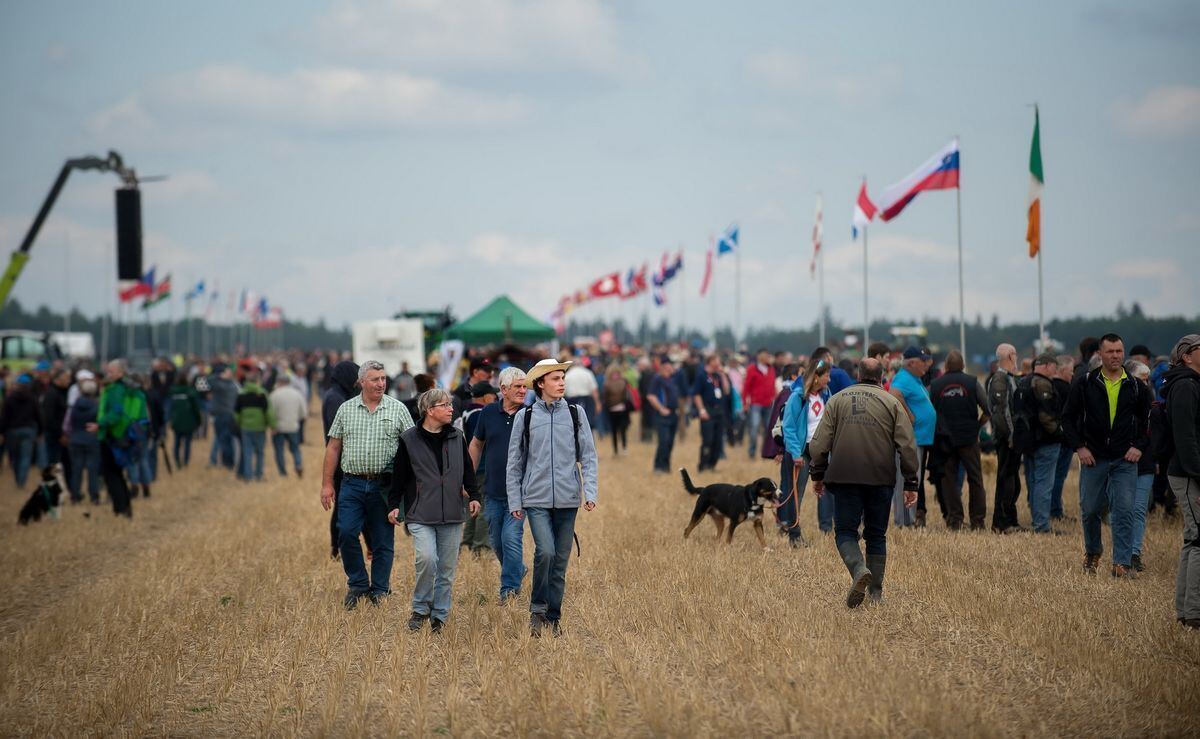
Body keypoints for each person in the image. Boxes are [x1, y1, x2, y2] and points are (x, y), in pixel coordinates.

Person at [808, 359, 919, 608]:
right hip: (881, 478)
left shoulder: (837, 399)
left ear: (858, 374)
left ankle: (858, 569)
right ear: (881, 377)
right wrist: (911, 482)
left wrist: (817, 474)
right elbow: (908, 446)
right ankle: (876, 594)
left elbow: (818, 445)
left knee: (846, 532)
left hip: (845, 477)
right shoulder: (891, 402)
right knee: (876, 535)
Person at [506, 358, 599, 637]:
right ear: (541, 384)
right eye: (556, 379)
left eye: (562, 378)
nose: (562, 383)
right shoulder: (527, 416)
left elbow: (589, 457)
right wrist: (515, 501)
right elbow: (515, 462)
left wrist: (590, 492)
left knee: (560, 561)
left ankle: (553, 617)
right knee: (544, 552)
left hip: (569, 499)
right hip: (535, 499)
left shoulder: (575, 413)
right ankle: (537, 609)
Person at [321, 360, 415, 609]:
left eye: (383, 378)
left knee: (383, 540)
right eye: (375, 379)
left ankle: (380, 590)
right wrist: (327, 484)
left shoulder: (397, 410)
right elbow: (333, 447)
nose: (381, 383)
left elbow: (413, 448)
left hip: (384, 485)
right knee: (347, 532)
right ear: (361, 382)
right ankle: (358, 584)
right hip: (351, 483)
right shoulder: (346, 409)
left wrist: (411, 486)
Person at [387, 388, 481, 632]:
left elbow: (468, 471)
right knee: (427, 559)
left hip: (452, 512)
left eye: (451, 404)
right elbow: (399, 476)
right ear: (430, 410)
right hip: (420, 513)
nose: (452, 409)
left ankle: (439, 615)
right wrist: (394, 505)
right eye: (445, 405)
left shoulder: (457, 436)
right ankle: (420, 609)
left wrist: (474, 495)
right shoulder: (409, 439)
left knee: (447, 569)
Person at [1062, 333, 1150, 577]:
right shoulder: (1085, 382)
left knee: (1124, 509)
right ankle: (1093, 551)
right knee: (1090, 509)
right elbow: (1067, 419)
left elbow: (1148, 422)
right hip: (1094, 457)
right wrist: (1080, 446)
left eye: (1119, 351)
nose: (1115, 356)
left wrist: (1139, 446)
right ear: (1100, 354)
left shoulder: (1135, 386)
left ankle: (1121, 563)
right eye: (1110, 351)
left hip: (1124, 459)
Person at [470, 367, 530, 602]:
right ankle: (517, 570)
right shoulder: (487, 413)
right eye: (518, 387)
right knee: (496, 540)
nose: (523, 391)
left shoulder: (530, 414)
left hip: (520, 492)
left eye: (525, 386)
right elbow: (476, 445)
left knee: (511, 538)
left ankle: (509, 589)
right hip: (492, 490)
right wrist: (468, 476)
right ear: (503, 389)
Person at [1161, 334, 1200, 628]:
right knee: (1198, 541)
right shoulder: (1186, 386)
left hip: (1188, 472)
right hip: (1189, 473)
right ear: (1187, 355)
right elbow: (1186, 438)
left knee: (1193, 540)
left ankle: (1187, 611)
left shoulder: (1188, 383)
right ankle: (1194, 612)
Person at [929, 350, 989, 530]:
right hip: (969, 438)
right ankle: (977, 521)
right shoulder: (972, 382)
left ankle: (954, 520)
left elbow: (929, 411)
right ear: (963, 366)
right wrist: (978, 425)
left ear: (945, 366)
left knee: (949, 480)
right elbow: (987, 408)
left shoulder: (935, 385)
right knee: (975, 479)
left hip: (944, 439)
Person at [779, 359, 832, 546]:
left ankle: (827, 528)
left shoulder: (826, 395)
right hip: (801, 452)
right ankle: (794, 534)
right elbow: (789, 427)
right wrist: (795, 453)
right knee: (796, 494)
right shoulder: (797, 397)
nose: (829, 378)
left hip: (821, 451)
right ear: (816, 377)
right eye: (826, 375)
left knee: (825, 489)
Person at [889, 347, 936, 527]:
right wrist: (909, 414)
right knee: (906, 481)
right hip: (910, 440)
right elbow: (894, 394)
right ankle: (903, 522)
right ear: (911, 362)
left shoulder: (914, 379)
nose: (926, 364)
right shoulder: (903, 378)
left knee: (912, 479)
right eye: (922, 361)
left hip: (919, 439)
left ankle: (909, 519)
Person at [1019, 354, 1064, 534]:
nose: (1056, 370)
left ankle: (1037, 519)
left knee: (1034, 481)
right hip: (1045, 440)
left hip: (1028, 441)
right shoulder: (1042, 384)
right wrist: (1060, 433)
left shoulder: (1023, 381)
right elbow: (1046, 416)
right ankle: (1042, 525)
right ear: (1045, 366)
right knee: (1044, 484)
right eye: (1054, 366)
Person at [322, 359, 361, 560]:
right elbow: (337, 434)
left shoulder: (338, 394)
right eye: (355, 378)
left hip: (343, 460)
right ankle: (336, 548)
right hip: (342, 462)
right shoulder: (336, 399)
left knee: (344, 506)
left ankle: (338, 547)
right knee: (342, 507)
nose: (357, 383)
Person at [987, 343, 1023, 533]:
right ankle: (1001, 523)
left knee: (1012, 481)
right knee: (1006, 480)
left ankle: (1010, 520)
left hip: (1010, 437)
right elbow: (1000, 412)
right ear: (1010, 356)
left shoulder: (1007, 378)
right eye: (1015, 355)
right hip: (1006, 438)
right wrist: (1010, 436)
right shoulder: (1000, 379)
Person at [460, 381, 497, 556]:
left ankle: (467, 541)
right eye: (492, 394)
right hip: (481, 466)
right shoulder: (479, 414)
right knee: (484, 507)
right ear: (484, 396)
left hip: (471, 466)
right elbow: (480, 441)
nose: (495, 397)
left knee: (473, 506)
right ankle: (480, 546)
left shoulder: (467, 411)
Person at [96, 360, 136, 517]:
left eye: (111, 372)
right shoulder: (126, 388)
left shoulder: (116, 390)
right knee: (117, 473)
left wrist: (100, 424)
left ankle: (121, 509)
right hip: (120, 435)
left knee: (111, 474)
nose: (108, 374)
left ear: (120, 373)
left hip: (111, 436)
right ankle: (124, 507)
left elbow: (117, 412)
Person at [1126, 360, 1154, 570]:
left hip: (1145, 463)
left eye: (1148, 380)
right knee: (1123, 510)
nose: (1147, 384)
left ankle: (1134, 552)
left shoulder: (1153, 404)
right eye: (1143, 379)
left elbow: (1157, 434)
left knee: (1137, 510)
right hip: (1122, 461)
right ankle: (1123, 550)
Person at [0, 375, 42, 487]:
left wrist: (1, 432)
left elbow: (4, 417)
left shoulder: (9, 398)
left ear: (17, 385)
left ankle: (18, 478)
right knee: (25, 457)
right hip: (28, 430)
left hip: (12, 432)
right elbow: (38, 416)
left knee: (15, 457)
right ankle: (21, 481)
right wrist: (40, 432)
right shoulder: (33, 398)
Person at [65, 375, 101, 504]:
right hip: (92, 439)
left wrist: (69, 435)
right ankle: (94, 496)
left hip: (76, 439)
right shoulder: (97, 406)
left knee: (76, 469)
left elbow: (67, 423)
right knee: (93, 470)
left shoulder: (74, 406)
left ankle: (75, 496)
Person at [693, 354, 730, 472]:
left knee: (718, 441)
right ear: (711, 362)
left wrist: (723, 375)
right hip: (707, 410)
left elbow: (726, 390)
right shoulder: (701, 375)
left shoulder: (718, 376)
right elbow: (696, 394)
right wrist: (701, 410)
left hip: (719, 411)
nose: (719, 364)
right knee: (707, 440)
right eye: (717, 361)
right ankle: (702, 465)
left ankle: (712, 465)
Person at [1050, 355, 1076, 521]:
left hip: (1053, 438)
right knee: (1059, 476)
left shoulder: (1050, 386)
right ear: (1062, 369)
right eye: (1071, 371)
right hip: (1064, 439)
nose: (1072, 375)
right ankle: (1055, 510)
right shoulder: (1067, 389)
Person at [269, 374, 308, 478]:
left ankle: (283, 473)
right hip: (293, 426)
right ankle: (298, 464)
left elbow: (270, 412)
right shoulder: (297, 394)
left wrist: (272, 425)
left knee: (279, 450)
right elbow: (303, 412)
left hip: (278, 427)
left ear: (279, 382)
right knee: (295, 448)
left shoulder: (274, 395)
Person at [646, 357, 680, 473]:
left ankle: (666, 466)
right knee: (663, 441)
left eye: (670, 367)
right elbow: (651, 396)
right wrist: (661, 408)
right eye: (666, 367)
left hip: (673, 414)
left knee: (670, 442)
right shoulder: (657, 379)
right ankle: (658, 467)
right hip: (662, 416)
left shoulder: (672, 379)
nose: (668, 369)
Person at [235, 373, 270, 482]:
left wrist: (240, 423)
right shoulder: (262, 393)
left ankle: (248, 476)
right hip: (259, 427)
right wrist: (270, 424)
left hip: (246, 427)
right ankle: (258, 475)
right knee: (260, 452)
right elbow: (268, 412)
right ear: (257, 381)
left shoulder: (241, 394)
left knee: (247, 451)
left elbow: (236, 413)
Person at [742, 348, 777, 459]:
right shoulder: (752, 369)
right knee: (754, 427)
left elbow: (772, 386)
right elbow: (746, 387)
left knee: (768, 429)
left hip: (768, 403)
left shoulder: (771, 369)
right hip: (755, 403)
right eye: (766, 356)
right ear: (760, 356)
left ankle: (766, 452)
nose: (768, 358)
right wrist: (745, 402)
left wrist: (775, 398)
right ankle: (752, 452)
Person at [168, 371, 203, 468]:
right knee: (187, 443)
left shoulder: (172, 392)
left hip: (177, 421)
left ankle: (177, 461)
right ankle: (186, 462)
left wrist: (169, 420)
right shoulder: (191, 392)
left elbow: (169, 408)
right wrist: (199, 420)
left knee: (177, 443)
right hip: (189, 421)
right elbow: (196, 408)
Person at [207, 364, 239, 470]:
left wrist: (216, 375)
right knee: (228, 440)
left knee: (222, 439)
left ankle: (226, 462)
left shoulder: (220, 385)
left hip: (221, 415)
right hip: (230, 415)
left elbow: (201, 384)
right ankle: (229, 462)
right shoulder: (233, 384)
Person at [601, 365, 632, 457]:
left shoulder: (622, 383)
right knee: (615, 430)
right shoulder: (608, 384)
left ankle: (623, 447)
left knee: (622, 430)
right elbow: (605, 397)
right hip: (613, 410)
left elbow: (625, 396)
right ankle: (616, 450)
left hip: (620, 409)